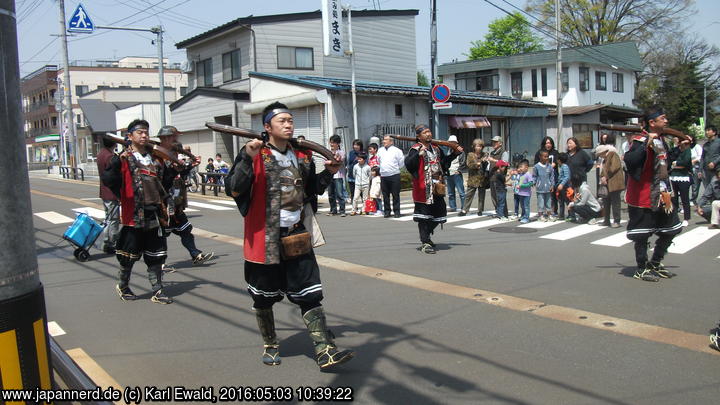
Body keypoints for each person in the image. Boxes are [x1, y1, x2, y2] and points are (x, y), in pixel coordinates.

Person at [226, 101, 354, 369]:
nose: (288, 124)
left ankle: (324, 349)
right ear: (267, 127)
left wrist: (329, 173)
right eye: (281, 120)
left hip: (296, 235)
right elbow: (235, 189)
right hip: (264, 239)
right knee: (263, 296)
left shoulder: (302, 157)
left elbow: (312, 190)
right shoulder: (254, 152)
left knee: (310, 293)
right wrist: (247, 158)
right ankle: (271, 343)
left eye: (290, 120)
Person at [101, 119, 173, 304]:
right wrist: (117, 162)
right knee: (129, 255)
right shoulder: (124, 158)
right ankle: (123, 285)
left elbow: (164, 183)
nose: (144, 135)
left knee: (156, 254)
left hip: (154, 212)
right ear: (130, 136)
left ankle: (157, 290)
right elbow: (109, 179)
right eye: (140, 132)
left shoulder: (154, 158)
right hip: (134, 215)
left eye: (146, 132)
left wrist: (182, 169)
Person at [624, 107, 682, 282]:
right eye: (663, 119)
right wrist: (645, 143)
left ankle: (655, 262)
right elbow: (631, 161)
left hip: (663, 193)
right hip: (643, 194)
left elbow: (666, 162)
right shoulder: (640, 139)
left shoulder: (662, 140)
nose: (666, 121)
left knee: (671, 229)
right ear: (652, 122)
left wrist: (679, 148)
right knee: (642, 234)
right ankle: (641, 267)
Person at [156, 125, 215, 266]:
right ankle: (159, 264)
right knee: (160, 235)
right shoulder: (157, 158)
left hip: (174, 203)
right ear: (164, 139)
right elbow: (162, 181)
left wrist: (190, 165)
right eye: (172, 137)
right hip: (161, 203)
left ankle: (195, 254)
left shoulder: (174, 159)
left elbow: (180, 174)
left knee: (185, 230)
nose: (175, 139)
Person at [404, 124, 463, 254]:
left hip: (437, 186)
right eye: (425, 132)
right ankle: (425, 241)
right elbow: (408, 165)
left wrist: (455, 153)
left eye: (429, 131)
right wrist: (418, 155)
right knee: (424, 216)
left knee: (440, 213)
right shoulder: (415, 149)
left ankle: (426, 236)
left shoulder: (436, 149)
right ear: (419, 136)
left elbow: (444, 163)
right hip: (423, 188)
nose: (428, 134)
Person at [96, 136, 120, 254]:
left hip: (104, 191)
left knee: (108, 218)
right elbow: (114, 175)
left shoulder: (101, 154)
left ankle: (107, 242)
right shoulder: (110, 156)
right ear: (114, 144)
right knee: (113, 219)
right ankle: (110, 242)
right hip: (111, 192)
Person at [597, 144, 625, 227]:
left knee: (615, 202)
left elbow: (615, 167)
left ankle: (617, 221)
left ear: (603, 152)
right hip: (607, 183)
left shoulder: (613, 155)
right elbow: (603, 171)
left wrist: (605, 176)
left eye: (599, 154)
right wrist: (602, 177)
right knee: (606, 202)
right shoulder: (605, 159)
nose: (599, 156)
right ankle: (606, 220)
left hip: (615, 183)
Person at [377, 135, 405, 218]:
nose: (383, 141)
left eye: (386, 140)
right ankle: (387, 211)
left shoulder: (397, 151)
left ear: (391, 141)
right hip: (384, 175)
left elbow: (401, 163)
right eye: (383, 140)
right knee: (385, 195)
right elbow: (379, 161)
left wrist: (394, 169)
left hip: (394, 175)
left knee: (395, 194)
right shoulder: (380, 150)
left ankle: (397, 211)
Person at [668, 135, 693, 227]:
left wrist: (676, 163)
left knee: (684, 198)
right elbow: (670, 158)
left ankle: (686, 218)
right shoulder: (675, 150)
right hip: (673, 176)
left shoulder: (687, 150)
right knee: (673, 199)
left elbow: (686, 162)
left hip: (684, 176)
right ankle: (675, 218)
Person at [460, 138, 489, 216]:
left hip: (482, 178)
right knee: (469, 195)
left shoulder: (485, 154)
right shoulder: (470, 154)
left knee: (482, 195)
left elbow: (487, 165)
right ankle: (464, 210)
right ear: (474, 147)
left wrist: (485, 162)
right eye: (477, 146)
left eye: (480, 146)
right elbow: (469, 165)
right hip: (473, 178)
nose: (478, 148)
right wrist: (478, 164)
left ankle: (480, 210)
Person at [534, 136, 560, 216]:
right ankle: (543, 212)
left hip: (552, 175)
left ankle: (553, 211)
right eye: (547, 143)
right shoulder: (539, 152)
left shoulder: (555, 152)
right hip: (541, 178)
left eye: (550, 143)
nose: (548, 145)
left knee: (552, 195)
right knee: (542, 197)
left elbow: (556, 162)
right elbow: (536, 165)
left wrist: (551, 166)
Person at [487, 135, 509, 217]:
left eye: (495, 142)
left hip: (499, 177)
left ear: (500, 143)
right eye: (493, 142)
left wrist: (493, 160)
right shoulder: (492, 153)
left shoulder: (504, 152)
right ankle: (498, 211)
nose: (493, 143)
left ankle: (503, 213)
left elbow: (505, 163)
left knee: (500, 196)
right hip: (492, 176)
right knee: (494, 196)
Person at [325, 135, 347, 217]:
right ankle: (333, 210)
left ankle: (342, 210)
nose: (331, 144)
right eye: (331, 142)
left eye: (333, 142)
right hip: (330, 176)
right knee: (331, 194)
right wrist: (331, 162)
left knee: (339, 194)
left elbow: (338, 161)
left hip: (338, 175)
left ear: (338, 143)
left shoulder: (342, 152)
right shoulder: (327, 152)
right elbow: (325, 162)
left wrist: (331, 162)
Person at [445, 135, 466, 212]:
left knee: (461, 192)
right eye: (450, 142)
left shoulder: (461, 151)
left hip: (457, 173)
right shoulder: (449, 151)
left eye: (452, 142)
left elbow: (463, 162)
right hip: (449, 173)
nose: (451, 144)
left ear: (456, 143)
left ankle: (464, 207)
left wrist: (459, 170)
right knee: (450, 192)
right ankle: (453, 207)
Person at [534, 150, 555, 222]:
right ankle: (541, 215)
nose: (546, 158)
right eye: (545, 156)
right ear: (540, 157)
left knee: (549, 202)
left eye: (547, 156)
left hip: (548, 188)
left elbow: (552, 176)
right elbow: (534, 176)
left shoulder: (550, 166)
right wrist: (534, 183)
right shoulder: (536, 166)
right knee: (541, 202)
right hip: (540, 188)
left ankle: (549, 215)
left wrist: (552, 185)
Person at [515, 160, 534, 224]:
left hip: (527, 194)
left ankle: (526, 218)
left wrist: (521, 186)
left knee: (526, 206)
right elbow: (520, 182)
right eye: (520, 167)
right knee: (522, 206)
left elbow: (530, 184)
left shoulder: (528, 174)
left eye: (521, 167)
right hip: (521, 193)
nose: (520, 168)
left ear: (526, 167)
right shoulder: (521, 174)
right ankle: (523, 216)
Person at [346, 139, 364, 204]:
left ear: (360, 146)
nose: (355, 146)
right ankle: (354, 208)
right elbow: (348, 163)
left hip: (360, 176)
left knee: (362, 193)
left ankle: (365, 208)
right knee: (353, 192)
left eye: (357, 145)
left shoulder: (363, 153)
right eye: (354, 145)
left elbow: (365, 164)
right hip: (351, 175)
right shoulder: (351, 153)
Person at [556, 153, 571, 220]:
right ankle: (561, 215)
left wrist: (562, 184)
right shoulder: (562, 166)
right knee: (561, 201)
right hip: (560, 187)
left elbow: (567, 176)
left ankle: (571, 215)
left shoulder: (564, 166)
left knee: (567, 201)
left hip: (565, 187)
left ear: (559, 160)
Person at [690, 136, 704, 206]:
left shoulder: (697, 146)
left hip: (697, 167)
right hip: (690, 167)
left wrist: (694, 160)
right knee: (692, 184)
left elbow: (701, 156)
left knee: (695, 184)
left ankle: (693, 199)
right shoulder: (687, 147)